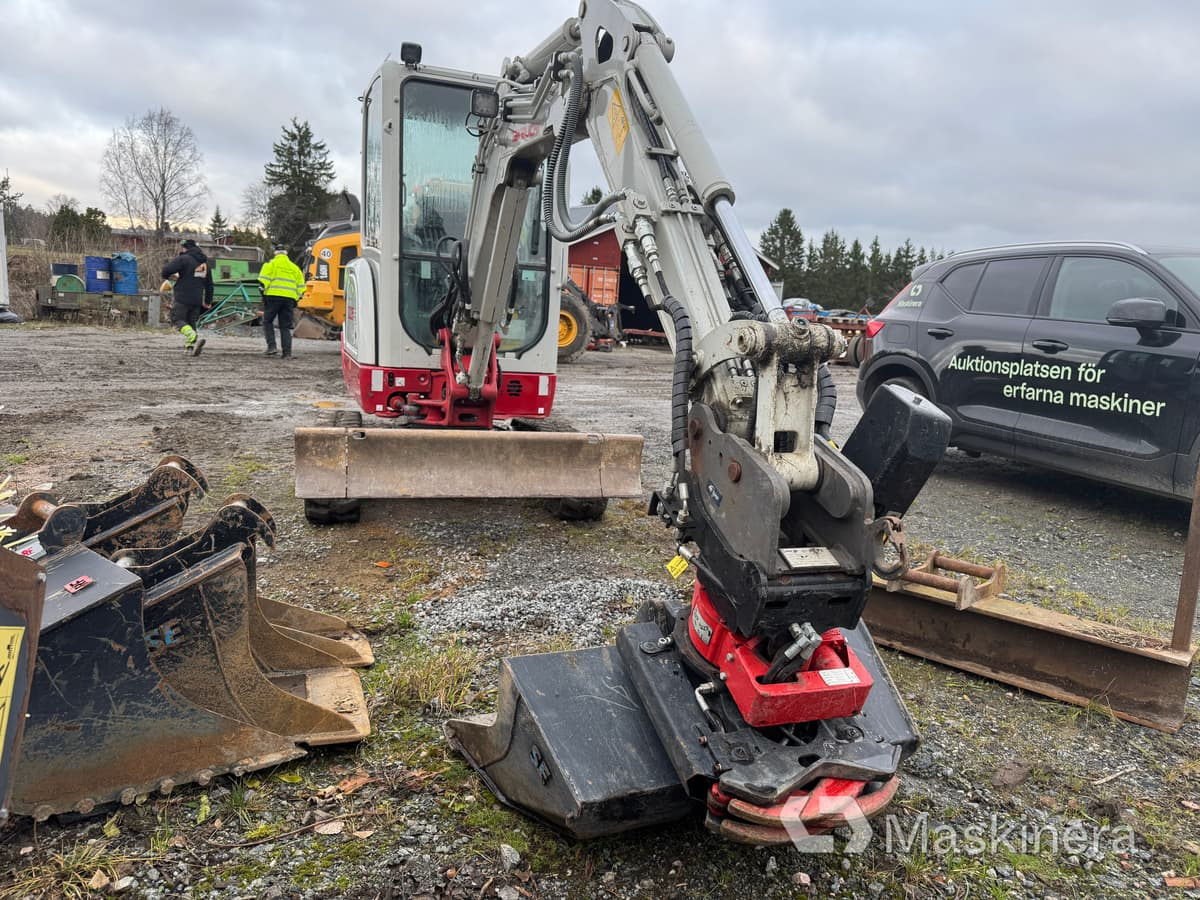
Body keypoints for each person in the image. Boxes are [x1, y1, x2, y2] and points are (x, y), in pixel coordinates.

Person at [161, 238, 213, 356]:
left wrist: (171, 275)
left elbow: (165, 271)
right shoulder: (204, 264)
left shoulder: (183, 259)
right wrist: (208, 301)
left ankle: (191, 336)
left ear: (185, 248)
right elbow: (209, 284)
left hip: (182, 296)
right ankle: (190, 347)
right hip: (197, 298)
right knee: (191, 321)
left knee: (176, 319)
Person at [257, 246, 305, 358]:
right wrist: (295, 299)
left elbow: (262, 284)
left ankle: (272, 347)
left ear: (275, 253)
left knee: (267, 321)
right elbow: (302, 288)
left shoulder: (270, 265)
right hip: (289, 299)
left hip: (273, 297)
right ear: (286, 254)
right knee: (285, 327)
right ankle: (287, 353)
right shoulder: (295, 268)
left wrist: (263, 297)